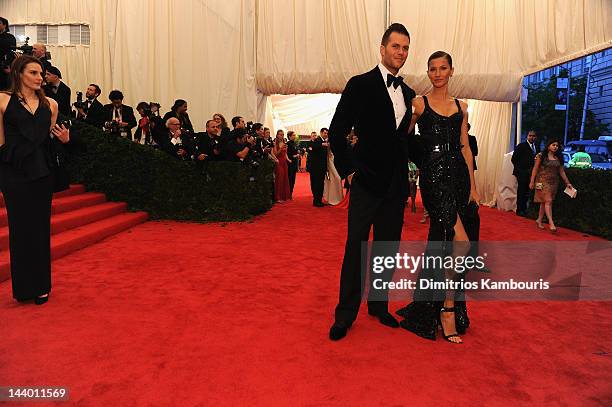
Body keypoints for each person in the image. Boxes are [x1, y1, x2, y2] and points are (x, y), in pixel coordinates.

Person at [328, 23, 416, 341]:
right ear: (382, 49)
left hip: (394, 186)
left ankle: (379, 306)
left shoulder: (408, 94)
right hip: (366, 181)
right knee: (356, 247)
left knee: (387, 250)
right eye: (396, 47)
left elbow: (403, 142)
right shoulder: (360, 84)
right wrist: (350, 170)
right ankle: (345, 313)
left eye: (406, 48)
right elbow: (337, 130)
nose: (401, 53)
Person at [396, 51, 479, 344]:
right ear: (428, 72)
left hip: (458, 175)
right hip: (433, 179)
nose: (438, 73)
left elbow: (466, 147)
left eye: (443, 68)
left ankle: (431, 302)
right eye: (432, 69)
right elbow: (402, 136)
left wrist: (473, 185)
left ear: (452, 71)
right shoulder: (419, 103)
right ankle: (447, 309)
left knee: (445, 243)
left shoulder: (462, 107)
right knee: (462, 242)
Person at [0, 55, 70, 305]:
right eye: (34, 73)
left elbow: (48, 142)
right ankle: (23, 289)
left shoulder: (51, 104)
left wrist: (65, 141)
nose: (40, 78)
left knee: (40, 229)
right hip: (14, 172)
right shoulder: (2, 100)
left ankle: (41, 286)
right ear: (18, 74)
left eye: (41, 74)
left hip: (42, 172)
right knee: (19, 230)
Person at [530, 139, 573, 233]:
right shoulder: (541, 156)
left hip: (554, 182)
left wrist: (568, 183)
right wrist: (532, 181)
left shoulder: (558, 158)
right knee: (548, 201)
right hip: (542, 181)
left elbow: (561, 172)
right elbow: (535, 169)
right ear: (548, 145)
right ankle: (551, 223)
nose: (555, 147)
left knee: (544, 202)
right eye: (553, 145)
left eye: (557, 145)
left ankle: (539, 220)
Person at [512, 130, 539, 216]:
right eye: (530, 135)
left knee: (527, 192)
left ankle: (525, 209)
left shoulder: (536, 147)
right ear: (527, 136)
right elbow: (513, 159)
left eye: (534, 136)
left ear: (536, 137)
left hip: (531, 173)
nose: (532, 137)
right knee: (521, 191)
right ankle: (519, 210)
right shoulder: (521, 146)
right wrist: (520, 170)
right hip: (522, 173)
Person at [323, 128, 344, 205]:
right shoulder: (328, 141)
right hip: (330, 162)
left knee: (335, 179)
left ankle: (333, 198)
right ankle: (333, 198)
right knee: (336, 179)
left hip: (334, 161)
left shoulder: (334, 141)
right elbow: (328, 154)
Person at [308, 128, 328, 207]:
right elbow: (313, 146)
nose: (326, 134)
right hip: (316, 168)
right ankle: (316, 201)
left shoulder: (324, 141)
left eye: (327, 133)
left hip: (322, 167)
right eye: (325, 133)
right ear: (321, 133)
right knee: (317, 184)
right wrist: (322, 144)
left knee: (320, 184)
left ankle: (319, 200)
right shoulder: (318, 140)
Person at [273, 130, 291, 202]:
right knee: (279, 179)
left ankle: (284, 196)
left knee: (285, 179)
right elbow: (275, 154)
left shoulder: (284, 142)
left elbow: (285, 153)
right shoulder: (275, 143)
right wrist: (280, 148)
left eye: (283, 134)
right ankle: (278, 197)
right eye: (280, 134)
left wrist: (288, 159)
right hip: (278, 162)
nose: (282, 136)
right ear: (277, 135)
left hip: (284, 162)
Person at [0, 17, 16, 91]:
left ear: (4, 25)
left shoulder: (10, 37)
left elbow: (12, 52)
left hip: (4, 68)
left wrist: (7, 66)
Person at [286, 131, 300, 196]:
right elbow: (287, 154)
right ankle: (288, 193)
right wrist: (294, 156)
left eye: (295, 135)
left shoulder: (294, 143)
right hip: (290, 163)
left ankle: (290, 193)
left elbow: (296, 152)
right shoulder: (287, 144)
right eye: (293, 135)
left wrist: (297, 154)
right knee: (290, 179)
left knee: (293, 179)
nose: (295, 136)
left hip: (294, 163)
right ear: (289, 136)